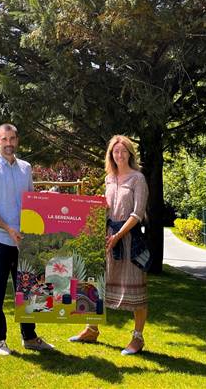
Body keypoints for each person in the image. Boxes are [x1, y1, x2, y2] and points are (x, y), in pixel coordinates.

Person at [0, 123, 55, 356]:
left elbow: (30, 202)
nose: (9, 143)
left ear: (17, 141)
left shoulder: (26, 168)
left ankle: (29, 337)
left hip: (24, 242)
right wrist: (8, 228)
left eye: (12, 139)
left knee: (29, 292)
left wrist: (48, 200)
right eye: (4, 139)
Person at [69, 135, 149, 355]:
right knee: (97, 283)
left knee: (136, 289)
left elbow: (137, 213)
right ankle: (91, 329)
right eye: (115, 151)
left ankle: (138, 338)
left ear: (130, 154)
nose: (119, 155)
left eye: (123, 151)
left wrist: (119, 235)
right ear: (111, 155)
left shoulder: (137, 178)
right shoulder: (108, 178)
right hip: (107, 238)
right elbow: (107, 208)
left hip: (130, 241)